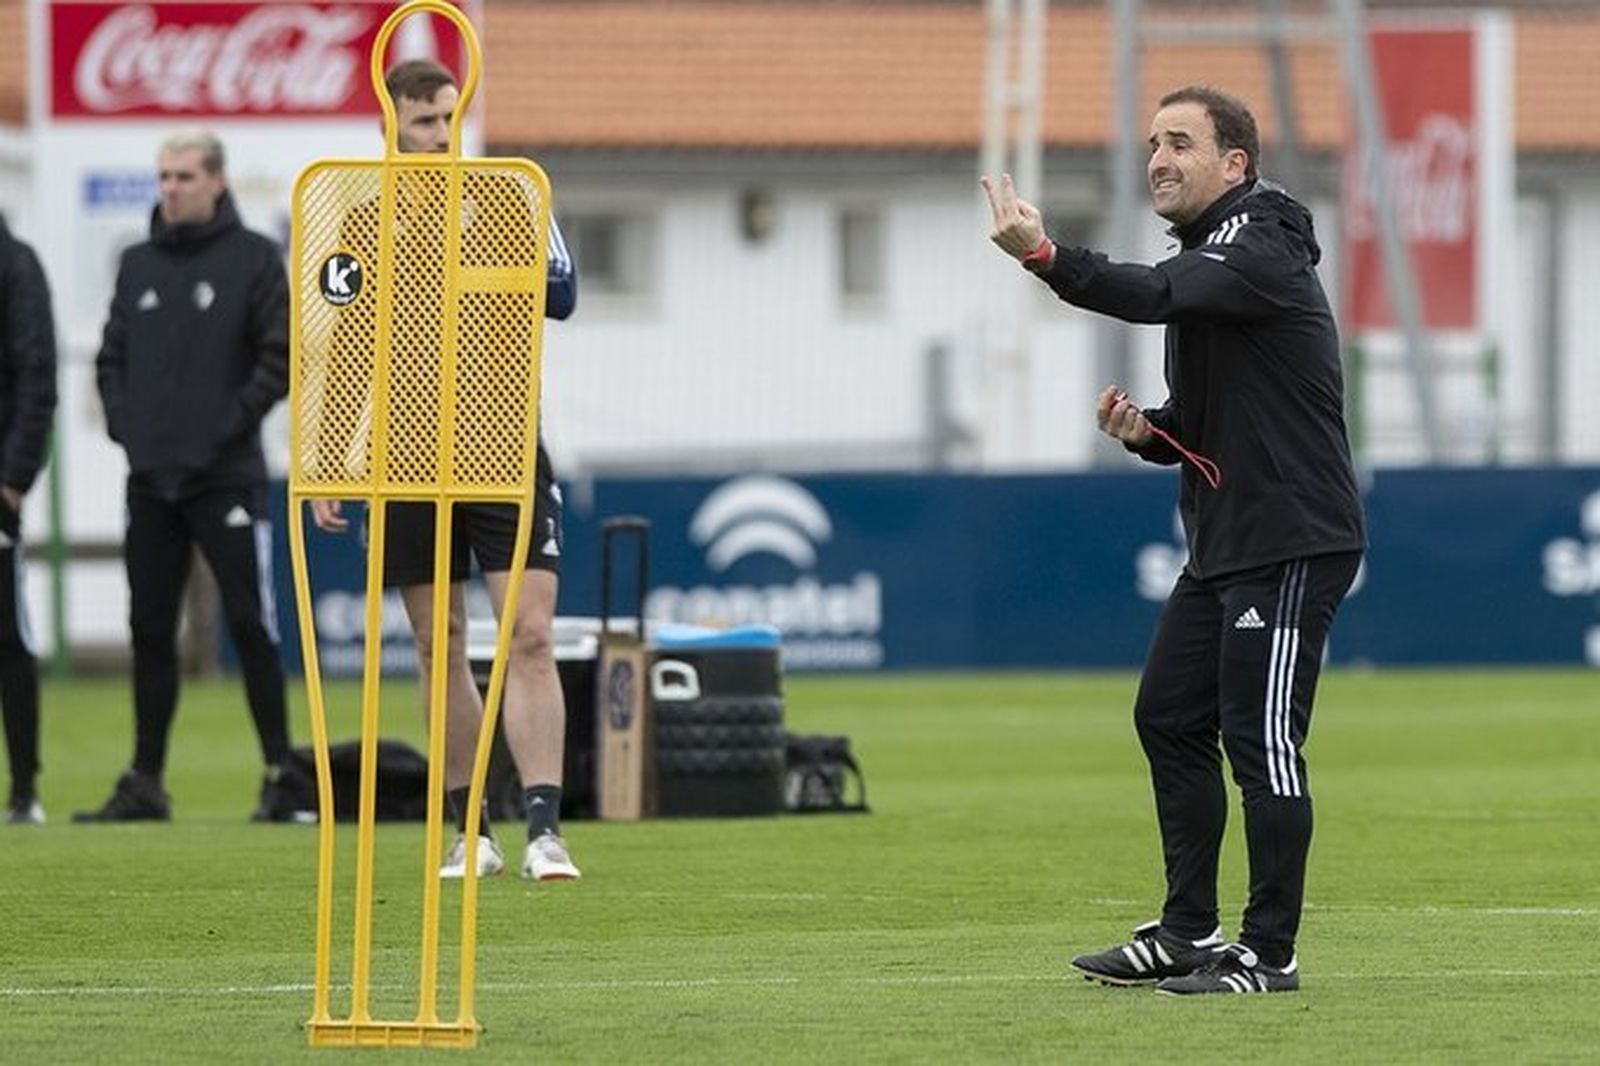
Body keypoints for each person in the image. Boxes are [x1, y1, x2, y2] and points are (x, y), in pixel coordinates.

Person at [983, 85, 1365, 995]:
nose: (1158, 157)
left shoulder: (1254, 241)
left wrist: (1043, 254)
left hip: (1289, 538)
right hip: (1228, 542)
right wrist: (1153, 433)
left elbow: (1150, 293)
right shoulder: (1213, 261)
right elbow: (1207, 416)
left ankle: (1270, 954)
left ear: (1234, 165)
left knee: (1261, 744)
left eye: (1181, 142)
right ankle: (1190, 930)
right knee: (1166, 716)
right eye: (1154, 140)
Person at [311, 59, 580, 883]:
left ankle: (544, 828)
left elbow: (563, 294)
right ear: (390, 126)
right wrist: (329, 457)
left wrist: (473, 246)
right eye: (423, 122)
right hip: (407, 454)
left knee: (527, 634)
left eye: (447, 119)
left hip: (502, 441)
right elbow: (349, 345)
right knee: (440, 643)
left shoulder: (504, 195)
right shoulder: (362, 217)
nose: (438, 136)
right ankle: (472, 832)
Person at [78, 130, 300, 823]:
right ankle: (146, 781)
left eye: (182, 176)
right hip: (151, 479)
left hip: (227, 477)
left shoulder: (256, 259)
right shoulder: (137, 264)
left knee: (251, 622)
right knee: (149, 627)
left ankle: (281, 777)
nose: (169, 188)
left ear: (217, 183)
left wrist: (221, 431)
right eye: (163, 177)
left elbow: (280, 355)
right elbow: (110, 357)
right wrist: (127, 428)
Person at [0, 213, 58, 825]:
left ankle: (23, 790)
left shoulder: (14, 265)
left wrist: (13, 480)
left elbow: (36, 376)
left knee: (8, 637)